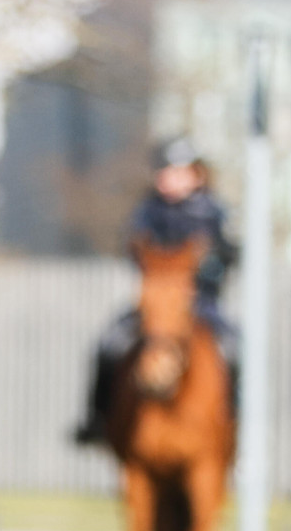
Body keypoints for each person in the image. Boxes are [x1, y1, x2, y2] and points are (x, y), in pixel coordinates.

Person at [74, 137, 238, 445]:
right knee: (109, 344)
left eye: (179, 172)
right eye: (166, 172)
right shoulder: (147, 211)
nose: (171, 179)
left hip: (200, 303)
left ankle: (233, 423)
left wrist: (208, 264)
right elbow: (133, 247)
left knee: (233, 348)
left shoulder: (213, 212)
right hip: (155, 304)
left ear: (196, 175)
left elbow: (231, 253)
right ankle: (98, 419)